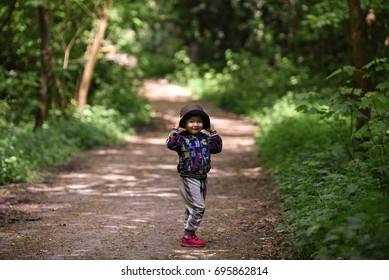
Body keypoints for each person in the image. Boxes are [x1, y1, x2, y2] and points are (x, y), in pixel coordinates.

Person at [166, 104, 223, 247]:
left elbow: (217, 148)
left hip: (203, 177)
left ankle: (188, 231)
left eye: (199, 121)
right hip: (189, 177)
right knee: (198, 207)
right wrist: (174, 130)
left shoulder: (205, 138)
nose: (195, 124)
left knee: (192, 208)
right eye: (191, 121)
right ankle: (188, 235)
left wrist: (214, 132)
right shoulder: (181, 139)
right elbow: (170, 144)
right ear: (183, 123)